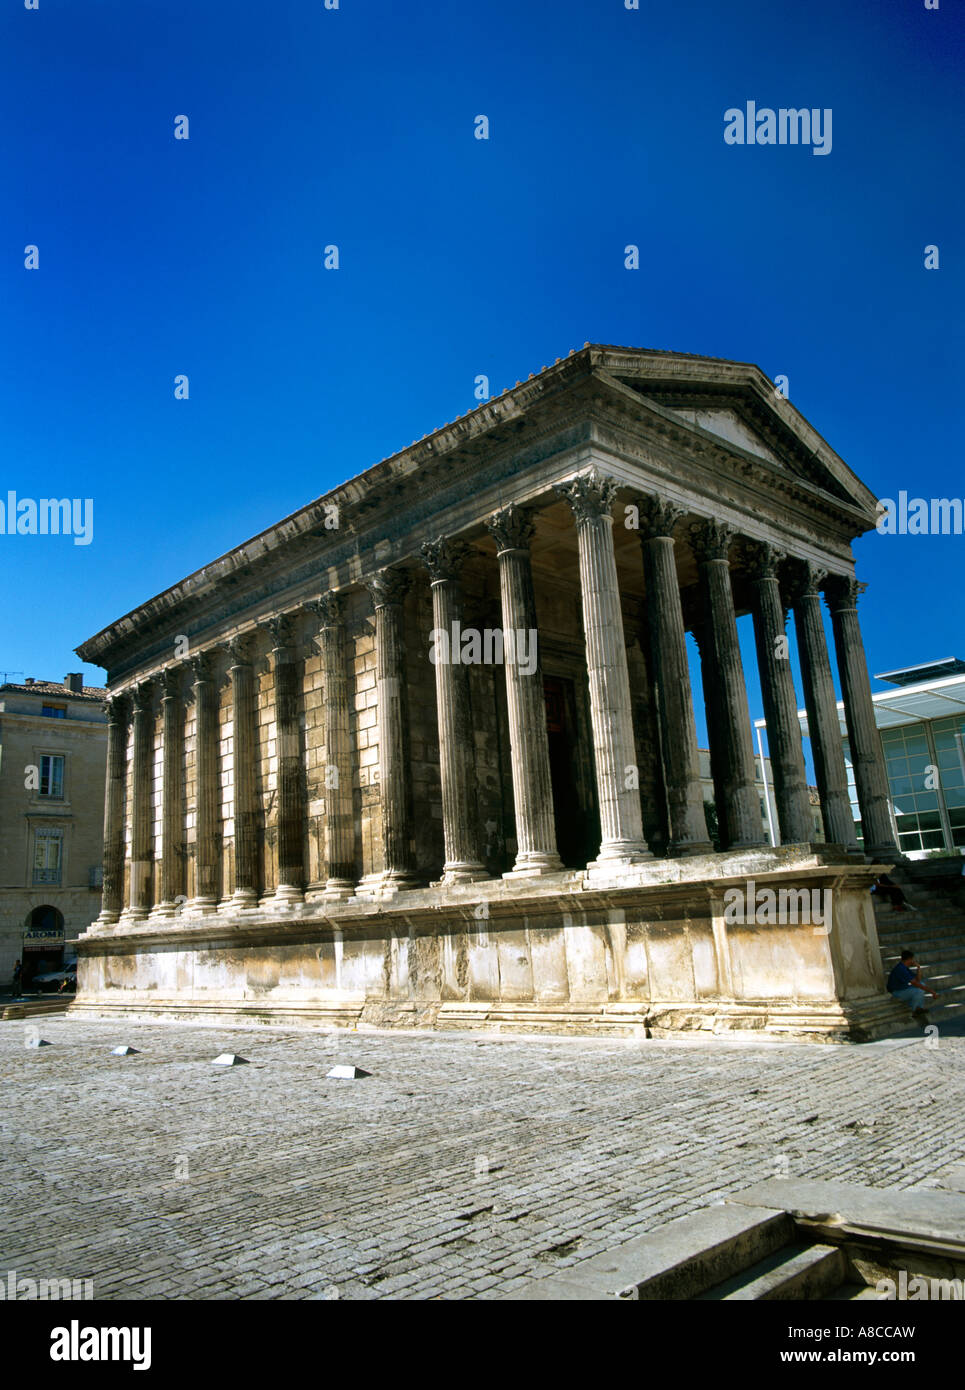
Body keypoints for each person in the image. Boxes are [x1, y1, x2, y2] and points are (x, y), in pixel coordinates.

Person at [887, 949, 938, 1023]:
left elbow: (918, 980)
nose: (913, 961)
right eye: (912, 959)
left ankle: (919, 1008)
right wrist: (932, 992)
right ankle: (914, 1010)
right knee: (918, 990)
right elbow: (915, 983)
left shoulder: (904, 968)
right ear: (909, 959)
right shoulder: (900, 969)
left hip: (902, 989)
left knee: (922, 985)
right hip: (896, 992)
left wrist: (918, 968)